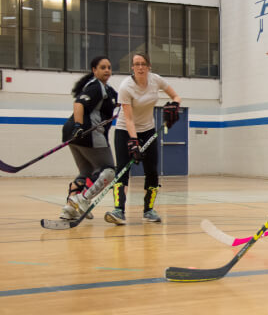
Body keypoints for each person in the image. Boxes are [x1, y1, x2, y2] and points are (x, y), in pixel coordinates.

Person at [104, 52, 181, 225]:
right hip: (125, 130)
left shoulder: (156, 80)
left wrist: (175, 105)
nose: (140, 67)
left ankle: (149, 210)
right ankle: (118, 210)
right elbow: (129, 119)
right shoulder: (126, 87)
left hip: (148, 130)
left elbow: (176, 96)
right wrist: (134, 143)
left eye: (143, 64)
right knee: (123, 169)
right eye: (136, 64)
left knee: (152, 171)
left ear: (148, 66)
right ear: (132, 67)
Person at [59, 56, 119, 220]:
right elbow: (79, 104)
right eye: (102, 67)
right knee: (109, 171)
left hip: (71, 135)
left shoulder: (107, 90)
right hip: (87, 134)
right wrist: (79, 126)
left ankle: (69, 208)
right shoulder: (95, 87)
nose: (107, 70)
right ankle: (83, 200)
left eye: (109, 67)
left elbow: (120, 101)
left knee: (86, 172)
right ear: (94, 70)